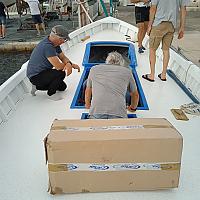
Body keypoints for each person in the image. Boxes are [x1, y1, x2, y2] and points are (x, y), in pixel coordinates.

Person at [26, 25, 80, 99]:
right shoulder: (47, 46)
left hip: (44, 72)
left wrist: (70, 64)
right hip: (35, 76)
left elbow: (63, 57)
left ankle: (37, 87)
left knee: (62, 87)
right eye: (63, 39)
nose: (63, 41)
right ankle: (51, 94)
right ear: (57, 38)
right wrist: (68, 66)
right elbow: (58, 67)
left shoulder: (55, 44)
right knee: (61, 73)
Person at [142, 0, 189, 82]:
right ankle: (163, 75)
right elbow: (183, 9)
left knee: (152, 50)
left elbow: (153, 8)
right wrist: (182, 28)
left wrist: (149, 26)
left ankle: (151, 75)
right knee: (166, 50)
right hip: (171, 25)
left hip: (158, 24)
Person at [85, 51, 139, 119]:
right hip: (119, 113)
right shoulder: (127, 72)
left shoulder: (93, 69)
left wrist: (87, 105)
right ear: (121, 63)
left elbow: (88, 91)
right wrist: (133, 108)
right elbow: (135, 95)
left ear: (107, 61)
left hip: (96, 112)